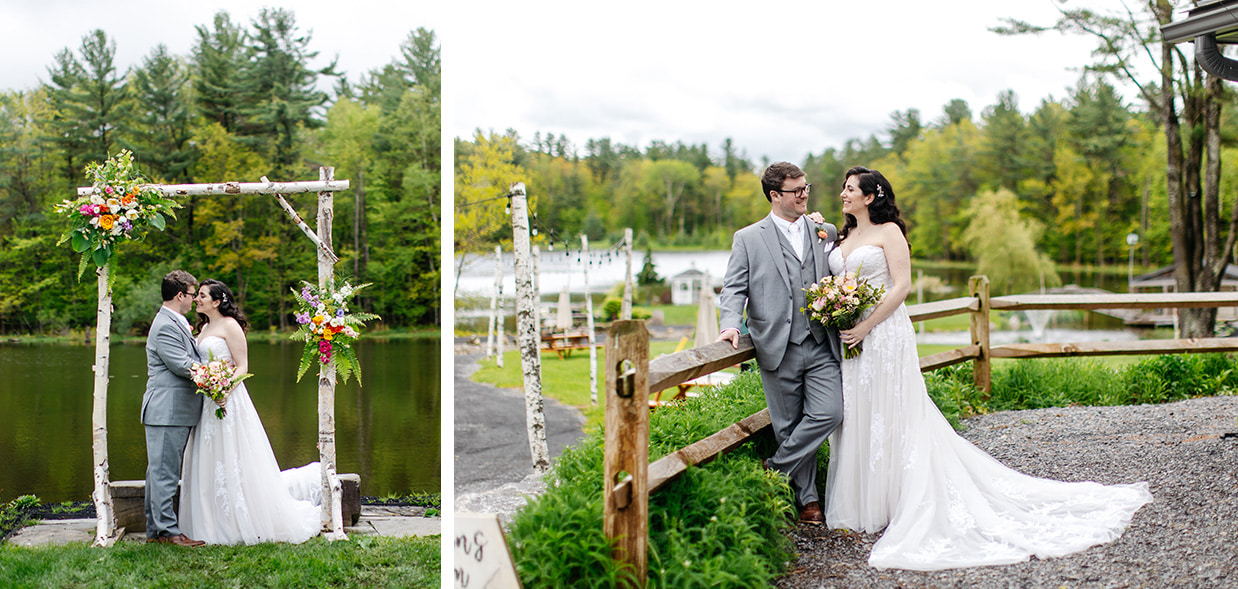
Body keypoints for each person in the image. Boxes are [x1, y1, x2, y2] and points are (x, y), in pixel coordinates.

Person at [823, 166, 1153, 570]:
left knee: (891, 413)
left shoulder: (888, 231)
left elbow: (902, 286)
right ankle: (865, 503)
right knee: (861, 412)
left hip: (883, 334)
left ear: (871, 196)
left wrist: (866, 325)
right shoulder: (843, 237)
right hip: (851, 338)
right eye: (843, 188)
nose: (843, 194)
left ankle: (899, 498)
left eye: (850, 188)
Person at [717, 161, 844, 524]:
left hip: (820, 342)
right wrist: (730, 325)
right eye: (797, 190)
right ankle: (809, 501)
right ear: (775, 196)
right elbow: (734, 288)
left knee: (828, 412)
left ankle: (773, 469)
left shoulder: (825, 230)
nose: (805, 194)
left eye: (807, 187)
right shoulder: (748, 238)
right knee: (787, 426)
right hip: (776, 344)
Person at [179, 279, 322, 545]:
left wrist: (224, 391)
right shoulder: (205, 327)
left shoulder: (231, 326)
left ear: (217, 300)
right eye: (196, 295)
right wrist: (209, 386)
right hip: (207, 402)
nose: (196, 299)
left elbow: (242, 366)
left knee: (234, 456)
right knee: (208, 458)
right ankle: (210, 521)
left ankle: (243, 519)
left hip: (228, 400)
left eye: (201, 295)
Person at [142, 270, 207, 547]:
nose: (194, 301)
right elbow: (181, 364)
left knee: (158, 471)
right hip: (166, 410)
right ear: (180, 295)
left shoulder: (174, 321)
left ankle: (156, 531)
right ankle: (168, 532)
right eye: (193, 295)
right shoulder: (166, 325)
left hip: (171, 410)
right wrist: (214, 373)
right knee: (164, 472)